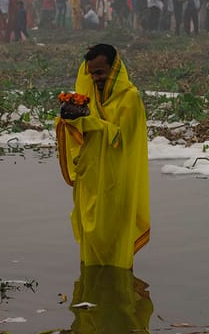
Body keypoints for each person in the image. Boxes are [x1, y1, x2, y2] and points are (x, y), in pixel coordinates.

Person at [55, 44, 150, 269]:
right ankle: (95, 290)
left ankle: (116, 285)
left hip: (116, 180)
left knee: (113, 237)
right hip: (90, 179)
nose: (96, 78)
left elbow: (120, 139)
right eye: (92, 73)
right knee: (91, 242)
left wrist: (88, 121)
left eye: (100, 72)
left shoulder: (130, 98)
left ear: (114, 69)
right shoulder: (89, 97)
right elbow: (81, 134)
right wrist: (67, 120)